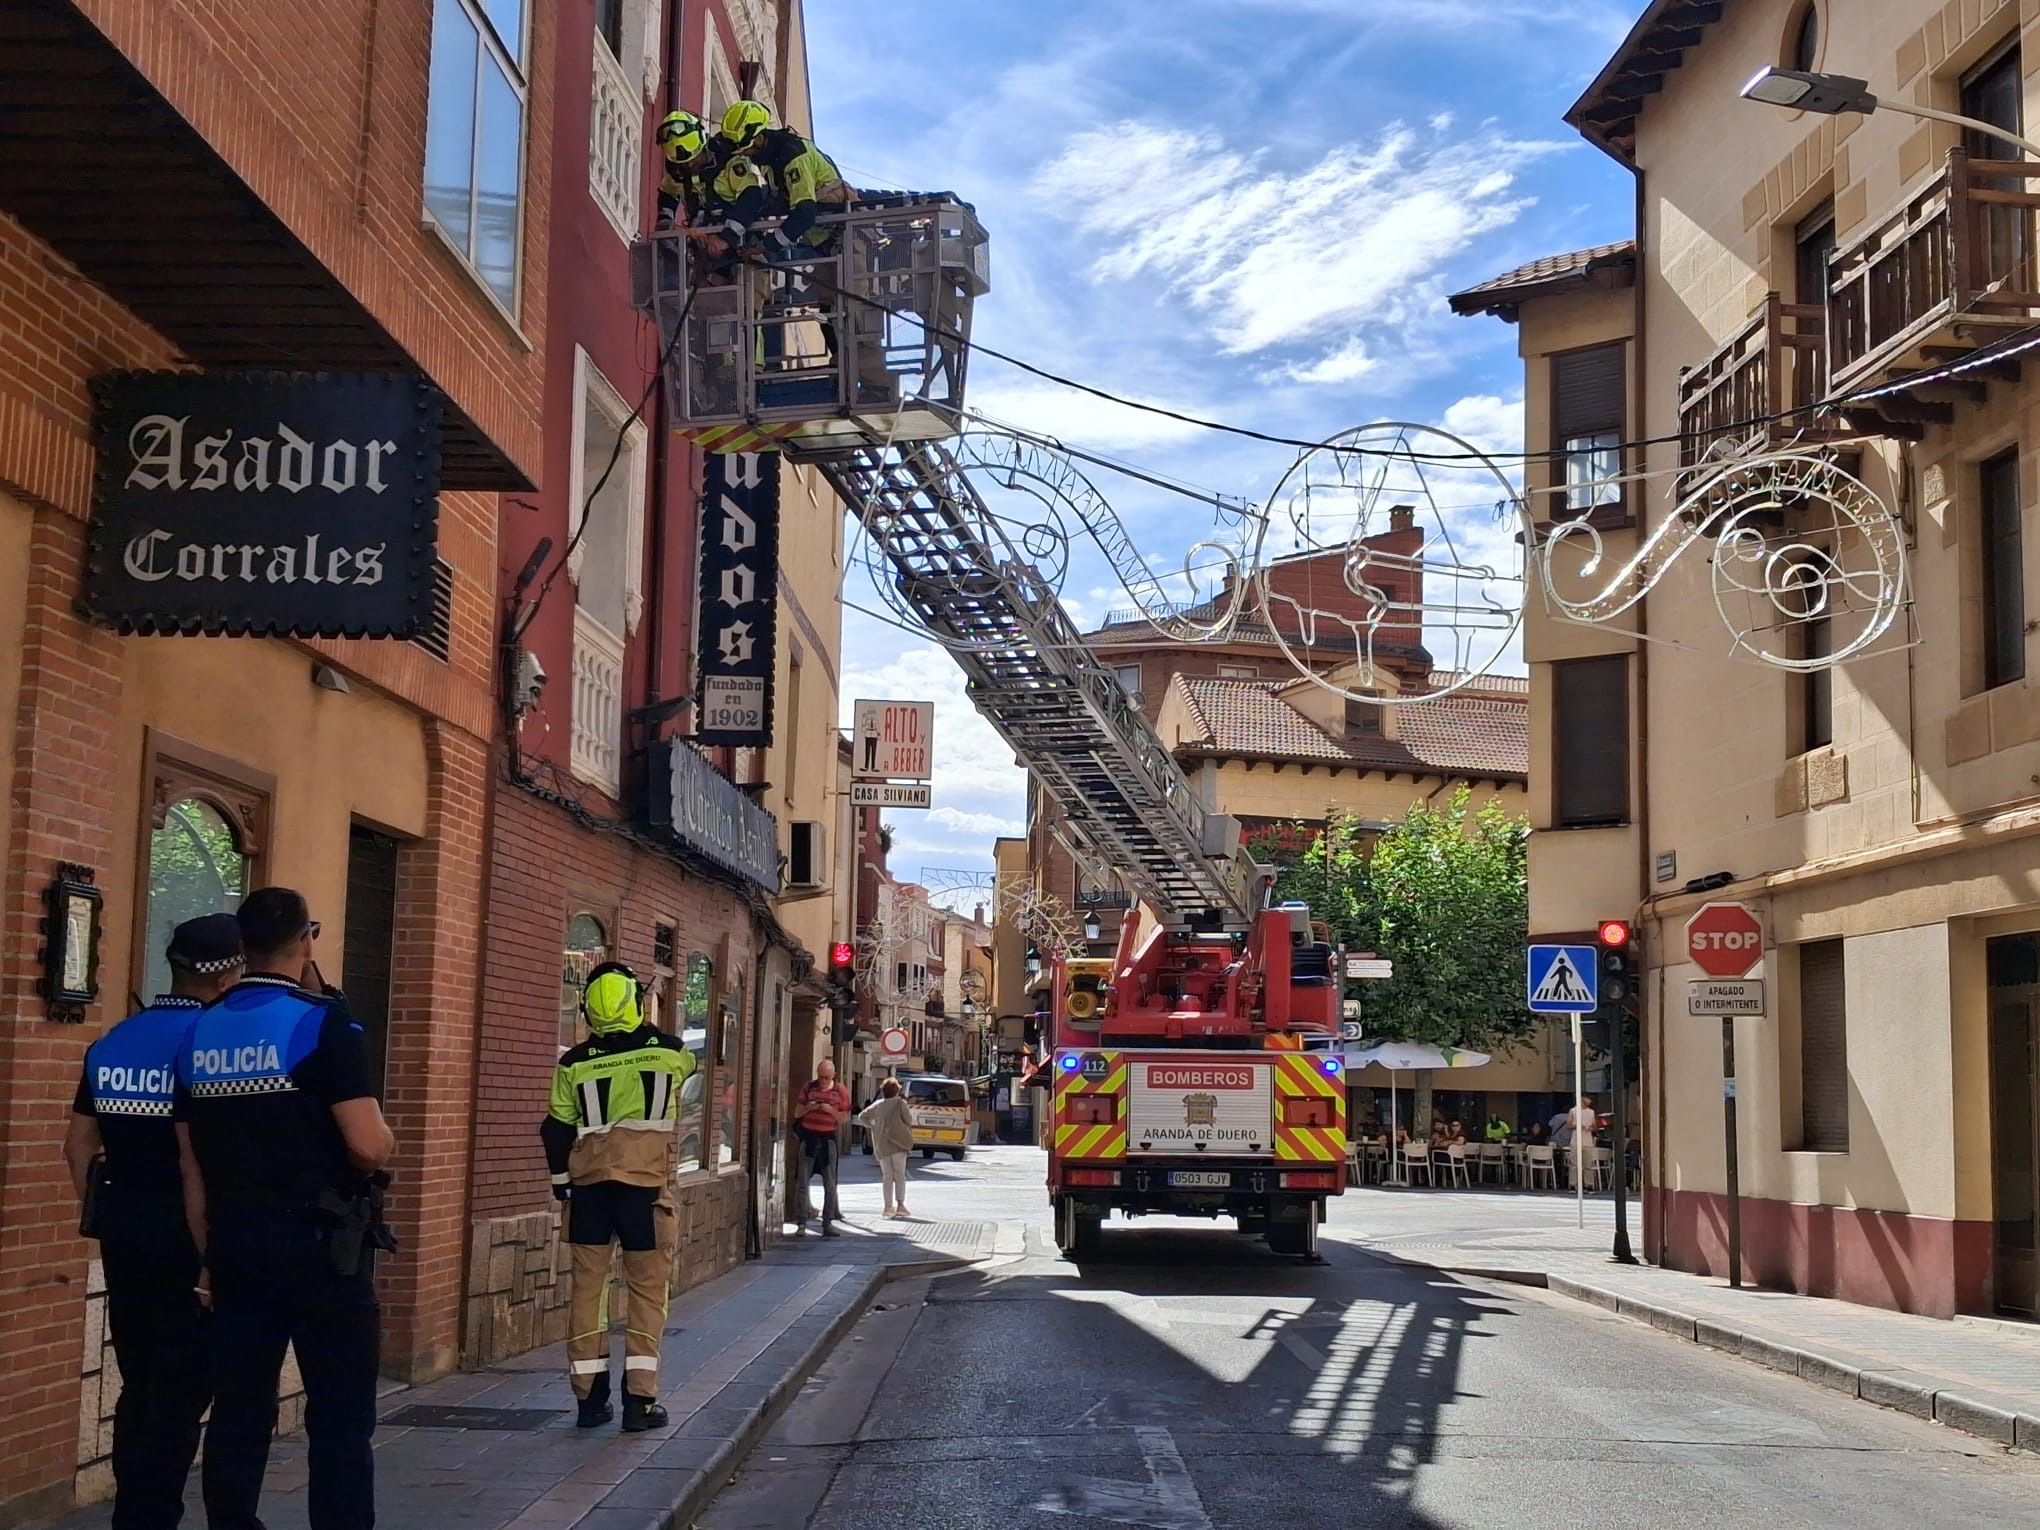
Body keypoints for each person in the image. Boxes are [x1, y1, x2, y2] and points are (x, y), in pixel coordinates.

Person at [175, 888, 394, 1530]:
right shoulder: (321, 1021)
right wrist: (385, 1147)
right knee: (341, 1417)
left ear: (241, 948)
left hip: (238, 1249)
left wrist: (207, 1259)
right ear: (307, 941)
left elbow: (192, 1169)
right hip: (324, 1252)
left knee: (240, 1411)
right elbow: (366, 1144)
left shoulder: (198, 1032)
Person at [66, 914, 242, 1530]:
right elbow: (202, 1158)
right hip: (187, 1238)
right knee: (184, 1386)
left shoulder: (114, 1039)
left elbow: (78, 1147)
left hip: (125, 1233)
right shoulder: (211, 1044)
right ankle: (150, 1514)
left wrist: (108, 1214)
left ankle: (134, 1510)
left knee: (138, 1379)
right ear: (228, 975)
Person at [541, 962, 695, 1432]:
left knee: (588, 1294)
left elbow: (554, 1128)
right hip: (644, 1195)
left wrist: (561, 1182)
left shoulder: (573, 1063)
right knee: (648, 1296)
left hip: (588, 1193)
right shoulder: (671, 1053)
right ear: (635, 1001)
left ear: (587, 1007)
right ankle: (640, 1404)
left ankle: (589, 1402)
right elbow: (680, 1069)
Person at [716, 99, 853, 254]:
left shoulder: (795, 157)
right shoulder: (770, 160)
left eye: (745, 149)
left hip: (847, 235)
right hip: (820, 240)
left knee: (856, 277)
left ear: (759, 138)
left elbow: (805, 213)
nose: (743, 154)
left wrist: (766, 245)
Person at [794, 1059, 851, 1234]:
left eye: (826, 1077)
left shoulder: (840, 1091)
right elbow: (796, 1112)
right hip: (809, 1138)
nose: (823, 1081)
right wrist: (809, 1108)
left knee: (830, 1183)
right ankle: (802, 1223)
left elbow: (844, 1118)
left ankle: (828, 1222)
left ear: (833, 1075)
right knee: (802, 1181)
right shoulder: (809, 1088)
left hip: (828, 1140)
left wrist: (830, 1111)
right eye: (820, 1077)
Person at [858, 1078, 915, 1219]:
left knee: (887, 1176)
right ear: (897, 1091)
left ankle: (888, 1206)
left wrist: (873, 1124)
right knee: (899, 1175)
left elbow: (862, 1117)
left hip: (882, 1144)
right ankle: (900, 1205)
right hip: (898, 1144)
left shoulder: (877, 1104)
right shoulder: (900, 1103)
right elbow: (909, 1120)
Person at [1568, 1096, 1601, 1189]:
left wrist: (1591, 1128)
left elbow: (1595, 1126)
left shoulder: (1591, 1112)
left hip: (1588, 1141)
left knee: (1588, 1164)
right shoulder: (1573, 1111)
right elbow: (1568, 1125)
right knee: (1574, 1164)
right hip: (1576, 1141)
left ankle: (1589, 1184)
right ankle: (1573, 1184)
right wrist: (1578, 1126)